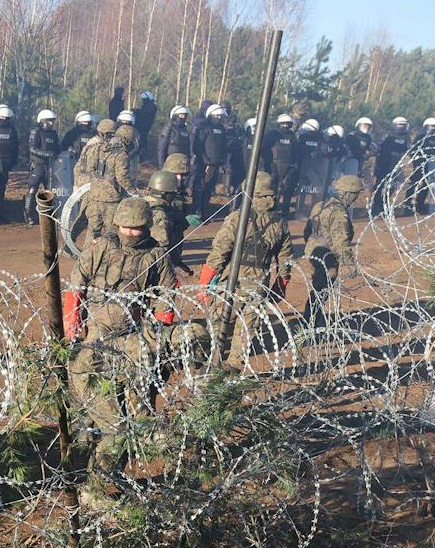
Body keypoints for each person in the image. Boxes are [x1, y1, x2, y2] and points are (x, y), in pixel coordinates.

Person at [67, 195, 177, 502]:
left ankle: (101, 477)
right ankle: (87, 471)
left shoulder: (156, 254)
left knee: (131, 405)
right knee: (97, 411)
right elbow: (77, 284)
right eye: (126, 227)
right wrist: (72, 324)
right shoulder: (101, 247)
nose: (131, 233)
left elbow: (166, 296)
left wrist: (157, 327)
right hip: (94, 338)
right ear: (117, 224)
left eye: (137, 228)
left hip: (131, 337)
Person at [198, 172, 291, 365]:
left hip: (230, 283)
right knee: (245, 335)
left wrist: (205, 283)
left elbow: (219, 252)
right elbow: (285, 261)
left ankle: (209, 366)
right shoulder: (280, 223)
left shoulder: (237, 218)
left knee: (217, 328)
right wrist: (279, 288)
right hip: (258, 287)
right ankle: (232, 374)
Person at [303, 174, 362, 329]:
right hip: (327, 257)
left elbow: (307, 230)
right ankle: (310, 322)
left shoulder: (320, 205)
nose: (355, 198)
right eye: (355, 194)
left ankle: (314, 318)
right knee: (321, 290)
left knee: (319, 287)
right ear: (347, 193)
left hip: (313, 251)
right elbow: (341, 242)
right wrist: (349, 264)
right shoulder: (339, 213)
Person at [73, 118, 134, 241]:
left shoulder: (97, 145)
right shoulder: (99, 145)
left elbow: (84, 167)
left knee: (90, 224)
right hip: (99, 191)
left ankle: (84, 252)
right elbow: (121, 176)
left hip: (92, 189)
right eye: (111, 134)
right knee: (108, 228)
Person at [143, 156, 191, 275]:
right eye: (176, 174)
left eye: (183, 175)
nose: (179, 178)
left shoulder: (148, 199)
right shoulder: (160, 213)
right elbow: (162, 247)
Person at [188, 104, 231, 215]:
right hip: (204, 164)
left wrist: (224, 163)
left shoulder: (221, 129)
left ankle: (205, 210)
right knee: (200, 187)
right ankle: (195, 211)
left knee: (209, 189)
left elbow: (224, 147)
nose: (219, 118)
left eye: (220, 116)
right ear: (210, 116)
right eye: (217, 116)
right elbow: (198, 146)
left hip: (216, 164)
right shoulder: (204, 128)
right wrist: (205, 161)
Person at [370, 117, 413, 216]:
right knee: (381, 184)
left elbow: (409, 148)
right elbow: (380, 148)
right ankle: (377, 206)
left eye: (403, 126)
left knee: (397, 184)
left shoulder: (406, 137)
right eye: (399, 125)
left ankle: (387, 203)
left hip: (397, 163)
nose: (401, 128)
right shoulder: (388, 135)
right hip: (384, 163)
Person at [24, 109, 61, 225]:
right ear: (42, 121)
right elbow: (31, 148)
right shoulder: (36, 132)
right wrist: (47, 154)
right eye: (48, 121)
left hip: (50, 166)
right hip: (38, 165)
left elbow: (57, 148)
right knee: (32, 189)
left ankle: (49, 213)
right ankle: (28, 214)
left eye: (52, 121)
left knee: (50, 190)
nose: (51, 123)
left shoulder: (54, 134)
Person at [410, 116, 435, 214]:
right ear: (426, 127)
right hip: (420, 163)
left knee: (427, 185)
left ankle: (419, 206)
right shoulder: (421, 137)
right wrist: (418, 161)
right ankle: (408, 206)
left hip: (431, 164)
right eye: (431, 127)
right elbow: (413, 150)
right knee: (416, 183)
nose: (433, 129)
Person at [133, 91, 158, 162]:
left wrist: (137, 112)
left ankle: (142, 158)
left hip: (144, 129)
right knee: (140, 143)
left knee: (142, 143)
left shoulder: (152, 107)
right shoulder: (147, 106)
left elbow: (144, 115)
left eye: (144, 99)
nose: (143, 101)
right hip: (141, 128)